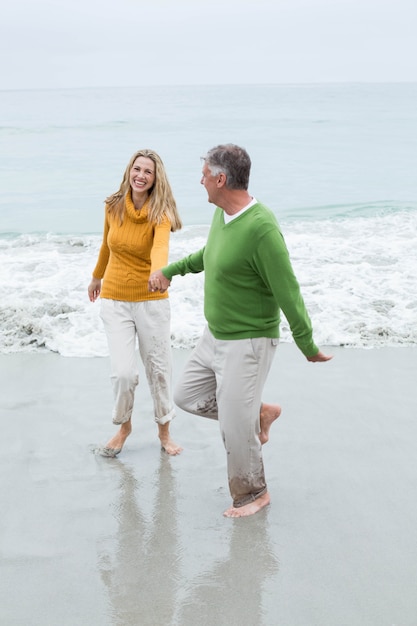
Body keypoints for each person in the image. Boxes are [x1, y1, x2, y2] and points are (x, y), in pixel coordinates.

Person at [149, 143, 332, 517]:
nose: (200, 181)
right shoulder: (223, 216)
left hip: (247, 341)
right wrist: (171, 271)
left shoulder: (261, 228)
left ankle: (254, 494)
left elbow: (288, 290)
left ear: (221, 179)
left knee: (234, 431)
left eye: (204, 175)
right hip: (214, 335)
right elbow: (210, 254)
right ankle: (258, 412)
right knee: (185, 395)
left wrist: (307, 343)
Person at [88, 148, 183, 457]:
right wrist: (96, 277)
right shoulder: (112, 206)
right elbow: (106, 245)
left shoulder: (161, 213)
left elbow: (160, 247)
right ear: (129, 170)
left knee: (158, 370)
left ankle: (164, 431)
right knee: (123, 373)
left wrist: (160, 272)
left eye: (148, 172)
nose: (141, 175)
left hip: (151, 300)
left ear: (156, 179)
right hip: (115, 298)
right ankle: (124, 426)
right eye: (137, 169)